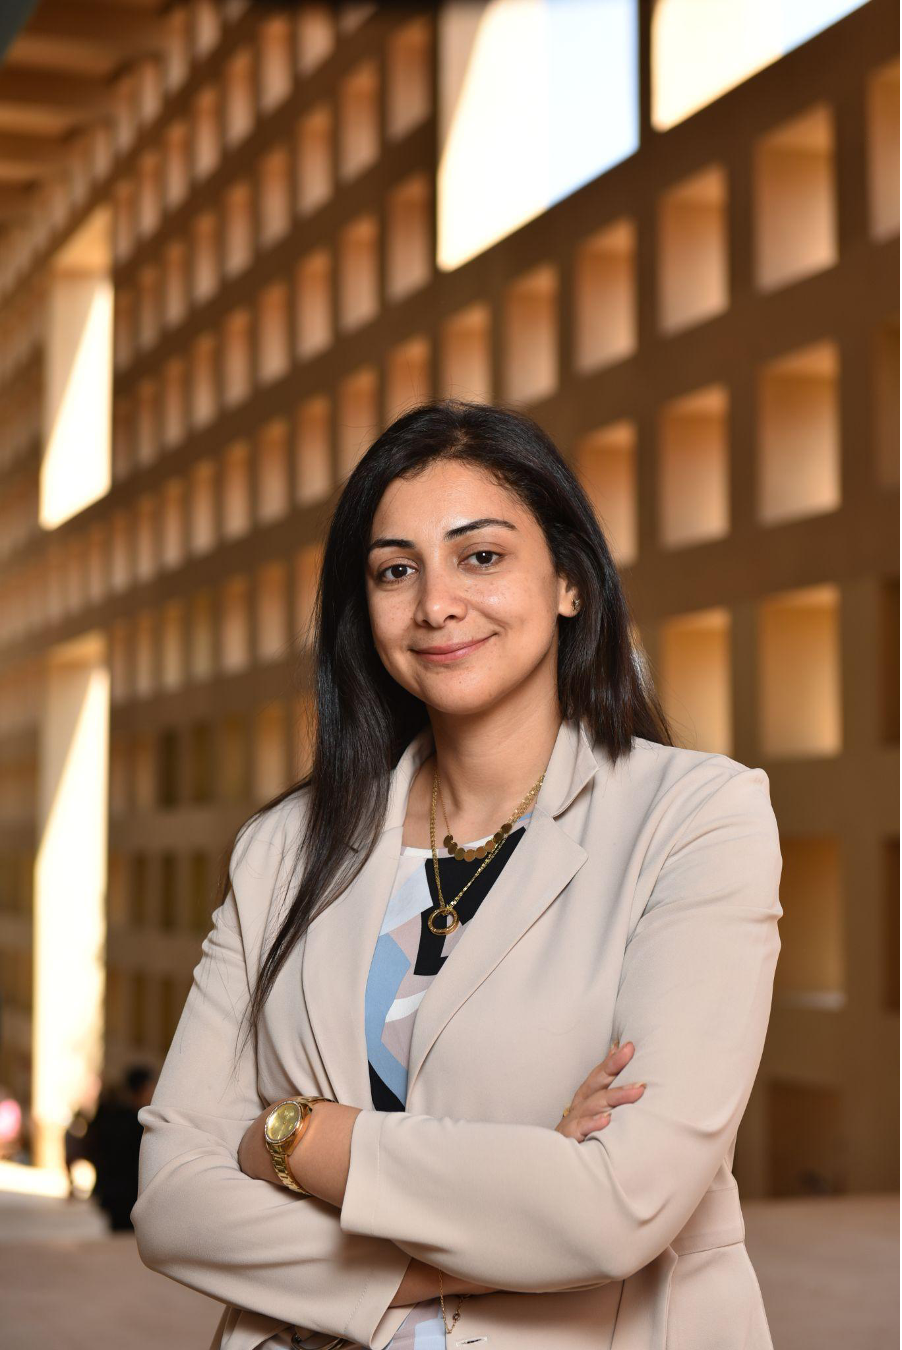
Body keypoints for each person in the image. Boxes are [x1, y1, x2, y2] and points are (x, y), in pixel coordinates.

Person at [132, 399, 783, 1350]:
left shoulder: (697, 818)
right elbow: (172, 1200)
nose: (436, 603)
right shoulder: (282, 846)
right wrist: (490, 1216)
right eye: (397, 570)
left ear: (569, 580)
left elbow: (614, 1208)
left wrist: (293, 1136)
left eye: (481, 556)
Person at [85, 1065, 155, 1232]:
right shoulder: (134, 1122)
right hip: (127, 1195)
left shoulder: (116, 1118)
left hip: (116, 1194)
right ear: (143, 1089)